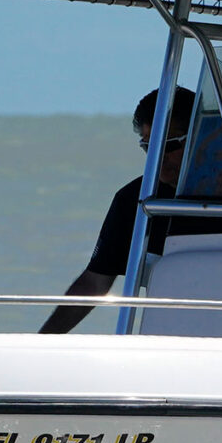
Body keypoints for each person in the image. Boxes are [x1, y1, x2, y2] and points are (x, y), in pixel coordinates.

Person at [40, 88, 194, 333]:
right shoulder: (134, 200)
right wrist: (44, 339)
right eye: (148, 146)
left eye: (169, 144)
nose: (158, 157)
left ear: (200, 134)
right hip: (171, 337)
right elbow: (95, 282)